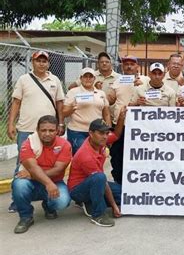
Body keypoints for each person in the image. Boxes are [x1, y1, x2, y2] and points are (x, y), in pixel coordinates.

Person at [7, 50, 65, 213]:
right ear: (32, 62)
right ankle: (17, 201)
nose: (41, 63)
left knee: (49, 163)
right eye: (38, 60)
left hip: (49, 131)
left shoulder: (55, 80)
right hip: (26, 129)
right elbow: (16, 102)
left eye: (44, 61)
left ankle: (49, 197)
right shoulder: (24, 80)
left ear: (48, 63)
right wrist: (11, 124)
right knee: (22, 165)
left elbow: (60, 103)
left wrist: (61, 123)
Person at [11, 115, 72, 233]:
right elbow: (32, 167)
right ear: (37, 130)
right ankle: (26, 216)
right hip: (31, 182)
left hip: (54, 181)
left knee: (63, 201)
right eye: (43, 130)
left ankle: (48, 206)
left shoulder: (65, 145)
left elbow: (58, 169)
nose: (47, 133)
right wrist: (47, 182)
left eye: (51, 130)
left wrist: (42, 179)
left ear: (57, 131)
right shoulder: (28, 143)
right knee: (19, 185)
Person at [68, 119, 121, 227]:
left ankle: (91, 202)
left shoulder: (100, 141)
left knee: (122, 193)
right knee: (100, 178)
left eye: (106, 133)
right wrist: (114, 205)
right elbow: (103, 182)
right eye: (101, 133)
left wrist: (121, 117)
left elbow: (116, 136)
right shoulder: (86, 155)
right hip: (78, 190)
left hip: (94, 182)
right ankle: (98, 215)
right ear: (91, 134)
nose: (105, 137)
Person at [107, 55, 148, 184]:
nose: (129, 66)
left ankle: (138, 184)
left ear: (137, 66)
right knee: (117, 156)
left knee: (139, 156)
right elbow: (110, 100)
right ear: (122, 66)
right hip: (120, 125)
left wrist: (141, 87)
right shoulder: (118, 81)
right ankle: (119, 184)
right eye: (126, 64)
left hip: (141, 126)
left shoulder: (146, 80)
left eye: (132, 64)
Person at [63, 68, 111, 154]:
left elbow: (106, 113)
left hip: (97, 131)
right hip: (78, 131)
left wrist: (108, 130)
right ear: (81, 78)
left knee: (96, 155)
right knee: (81, 155)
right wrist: (72, 108)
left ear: (94, 79)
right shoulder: (73, 92)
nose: (88, 79)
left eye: (90, 77)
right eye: (85, 77)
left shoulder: (101, 93)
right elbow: (64, 112)